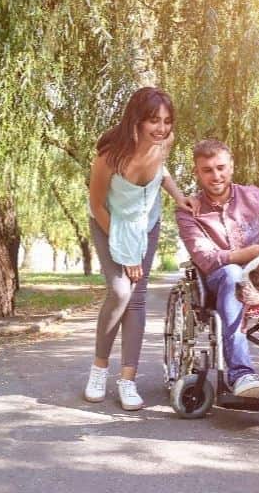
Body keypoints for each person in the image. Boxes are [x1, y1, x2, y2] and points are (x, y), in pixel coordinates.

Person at [84, 87, 199, 410]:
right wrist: (126, 254)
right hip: (109, 223)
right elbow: (97, 205)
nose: (161, 128)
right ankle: (99, 370)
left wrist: (179, 197)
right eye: (153, 121)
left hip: (145, 226)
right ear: (136, 120)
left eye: (166, 121)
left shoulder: (163, 146)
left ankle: (128, 381)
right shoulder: (109, 158)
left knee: (136, 298)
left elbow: (161, 174)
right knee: (120, 291)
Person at [176, 138, 259, 398]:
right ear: (197, 172)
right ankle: (241, 373)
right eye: (207, 170)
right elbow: (208, 259)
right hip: (219, 282)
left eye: (221, 167)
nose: (216, 176)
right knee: (232, 274)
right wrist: (255, 251)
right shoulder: (188, 211)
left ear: (231, 167)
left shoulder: (254, 196)